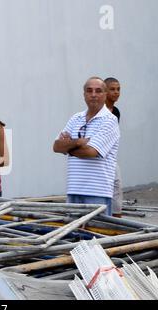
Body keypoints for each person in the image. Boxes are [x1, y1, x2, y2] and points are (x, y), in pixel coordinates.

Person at [53, 77, 120, 216]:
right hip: (74, 190)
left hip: (97, 192)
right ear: (84, 94)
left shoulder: (110, 121)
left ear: (105, 94)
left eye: (98, 91)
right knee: (73, 236)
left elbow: (90, 152)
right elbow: (56, 146)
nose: (93, 94)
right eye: (89, 91)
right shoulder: (75, 118)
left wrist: (68, 146)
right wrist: (78, 142)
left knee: (97, 235)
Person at [105, 77, 123, 218]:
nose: (116, 92)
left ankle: (117, 219)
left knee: (116, 186)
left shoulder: (115, 111)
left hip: (110, 156)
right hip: (98, 156)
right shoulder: (99, 111)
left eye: (118, 89)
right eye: (112, 89)